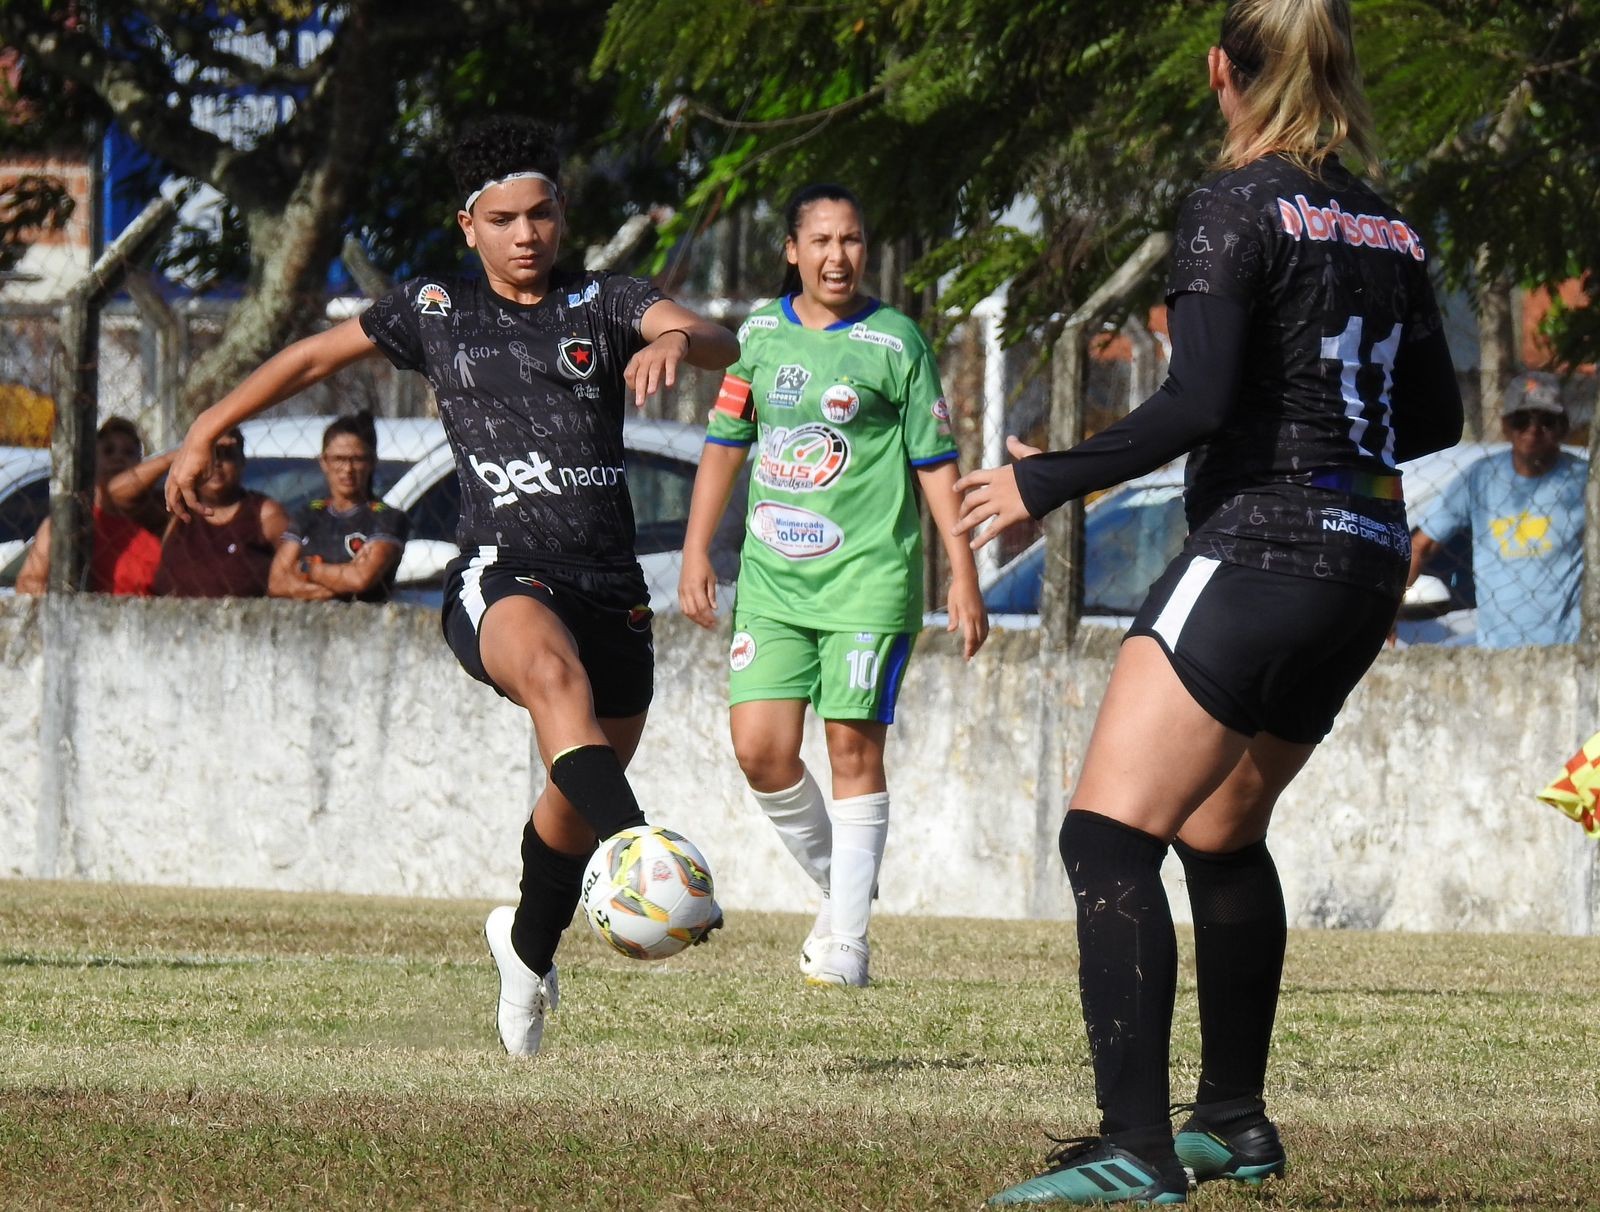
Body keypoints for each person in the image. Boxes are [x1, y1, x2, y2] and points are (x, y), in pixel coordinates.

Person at [953, 0, 1463, 1203]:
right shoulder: (1392, 227)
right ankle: (1231, 1119)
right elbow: (1433, 417)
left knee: (1105, 838)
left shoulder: (1232, 203)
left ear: (1218, 71)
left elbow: (1194, 406)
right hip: (1360, 563)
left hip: (1260, 550)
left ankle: (1132, 1146)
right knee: (1221, 832)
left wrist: (1038, 479)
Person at [163, 115, 740, 1057]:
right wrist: (206, 423)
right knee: (555, 686)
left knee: (569, 797)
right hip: (499, 575)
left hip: (611, 586)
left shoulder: (603, 301)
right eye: (505, 218)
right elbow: (312, 356)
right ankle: (644, 856)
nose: (527, 235)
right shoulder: (435, 308)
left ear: (561, 215)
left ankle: (524, 948)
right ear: (468, 225)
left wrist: (676, 338)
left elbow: (711, 333)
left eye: (542, 214)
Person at [678, 183, 988, 988]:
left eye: (851, 240)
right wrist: (695, 550)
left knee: (852, 744)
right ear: (792, 250)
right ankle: (845, 883)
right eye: (820, 241)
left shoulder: (896, 343)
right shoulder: (756, 336)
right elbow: (724, 443)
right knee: (760, 750)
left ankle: (846, 939)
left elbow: (936, 466)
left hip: (868, 581)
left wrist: (962, 573)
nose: (837, 256)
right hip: (774, 582)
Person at [1408, 371, 1585, 648]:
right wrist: (1387, 608)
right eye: (1522, 420)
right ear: (1505, 425)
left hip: (1570, 650)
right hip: (1497, 654)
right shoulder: (1479, 479)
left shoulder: (1585, 480)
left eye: (1546, 421)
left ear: (1563, 427)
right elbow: (1421, 546)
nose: (1533, 430)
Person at [269, 410, 410, 603]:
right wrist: (337, 583)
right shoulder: (308, 514)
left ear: (372, 462)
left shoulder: (387, 518)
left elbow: (360, 579)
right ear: (324, 462)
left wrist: (308, 567)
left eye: (357, 459)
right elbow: (277, 582)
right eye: (339, 459)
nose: (348, 469)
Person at [15, 417, 164, 596]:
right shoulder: (67, 522)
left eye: (129, 452)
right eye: (108, 451)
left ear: (140, 463)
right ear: (92, 461)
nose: (118, 458)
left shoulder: (152, 526)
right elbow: (29, 583)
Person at [150, 427, 287, 598]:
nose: (216, 462)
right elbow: (119, 494)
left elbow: (293, 566)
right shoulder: (175, 507)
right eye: (210, 454)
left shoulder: (263, 513)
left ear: (242, 462)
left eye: (227, 454)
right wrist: (184, 453)